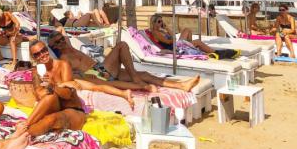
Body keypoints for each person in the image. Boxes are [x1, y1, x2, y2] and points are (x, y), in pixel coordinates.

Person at [47, 32, 199, 93]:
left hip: (101, 69)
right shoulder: (64, 59)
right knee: (121, 45)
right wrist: (91, 80)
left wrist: (59, 36)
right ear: (54, 47)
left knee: (145, 74)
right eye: (57, 43)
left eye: (62, 39)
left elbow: (61, 31)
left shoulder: (70, 46)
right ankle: (136, 79)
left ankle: (181, 85)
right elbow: (72, 77)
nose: (61, 42)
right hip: (98, 74)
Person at [10, 40, 87, 137]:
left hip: (72, 109)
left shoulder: (63, 65)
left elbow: (67, 94)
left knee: (51, 119)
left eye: (44, 50)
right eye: (37, 54)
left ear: (47, 49)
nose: (42, 55)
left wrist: (53, 85)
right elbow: (40, 96)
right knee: (50, 97)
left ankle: (21, 133)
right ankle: (24, 127)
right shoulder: (37, 72)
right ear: (33, 58)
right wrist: (58, 86)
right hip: (56, 108)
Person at [146, 13, 217, 55]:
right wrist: (173, 39)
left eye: (161, 21)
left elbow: (173, 36)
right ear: (153, 23)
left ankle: (190, 46)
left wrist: (166, 28)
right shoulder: (155, 33)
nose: (161, 23)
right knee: (198, 41)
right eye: (159, 22)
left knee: (187, 30)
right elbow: (168, 42)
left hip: (175, 44)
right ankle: (215, 52)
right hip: (174, 48)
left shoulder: (161, 30)